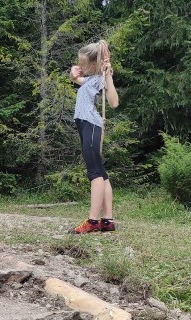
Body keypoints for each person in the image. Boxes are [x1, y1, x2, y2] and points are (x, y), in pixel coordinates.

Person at [69, 40, 119, 234]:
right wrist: (73, 74)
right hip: (86, 126)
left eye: (82, 64)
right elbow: (76, 80)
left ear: (92, 64)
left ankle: (92, 221)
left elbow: (113, 102)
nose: (80, 67)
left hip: (91, 125)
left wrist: (108, 76)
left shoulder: (101, 78)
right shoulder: (91, 80)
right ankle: (107, 220)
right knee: (101, 173)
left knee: (95, 173)